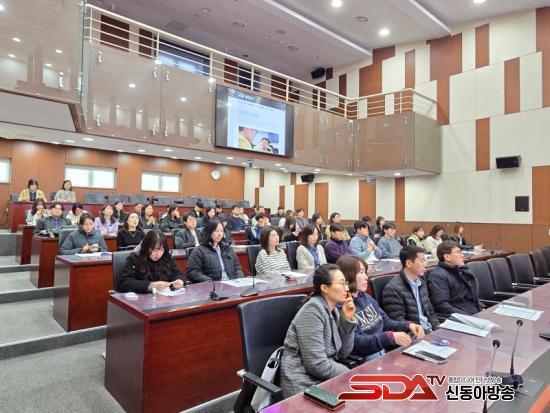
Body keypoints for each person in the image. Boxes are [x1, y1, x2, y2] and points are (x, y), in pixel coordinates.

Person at [280, 264, 356, 398]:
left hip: (324, 377)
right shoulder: (312, 311)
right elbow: (316, 364)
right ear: (324, 288)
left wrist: (347, 319)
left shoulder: (333, 311)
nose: (347, 288)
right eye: (341, 283)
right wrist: (349, 374)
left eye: (346, 283)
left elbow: (344, 353)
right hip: (302, 383)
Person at [337, 255, 423, 361]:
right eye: (361, 272)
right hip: (365, 360)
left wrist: (408, 325)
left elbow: (386, 322)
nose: (366, 277)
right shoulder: (342, 307)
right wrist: (389, 337)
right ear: (347, 276)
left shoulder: (366, 297)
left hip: (382, 352)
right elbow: (356, 343)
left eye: (365, 272)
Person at [382, 246, 440, 333]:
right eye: (422, 261)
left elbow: (430, 312)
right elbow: (398, 321)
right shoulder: (392, 289)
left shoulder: (421, 282)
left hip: (429, 330)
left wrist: (438, 330)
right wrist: (427, 333)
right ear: (409, 263)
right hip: (416, 334)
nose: (426, 264)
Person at [118, 230, 187, 293]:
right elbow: (126, 283)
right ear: (146, 247)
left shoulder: (166, 257)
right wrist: (152, 285)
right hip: (142, 299)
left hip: (165, 298)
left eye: (161, 250)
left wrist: (180, 281)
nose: (158, 254)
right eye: (154, 250)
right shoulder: (134, 259)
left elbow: (178, 273)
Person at [427, 241, 484, 316]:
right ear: (447, 257)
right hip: (461, 316)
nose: (462, 255)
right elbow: (442, 306)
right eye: (458, 252)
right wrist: (468, 317)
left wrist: (481, 308)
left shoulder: (461, 270)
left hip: (472, 311)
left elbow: (469, 297)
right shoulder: (437, 276)